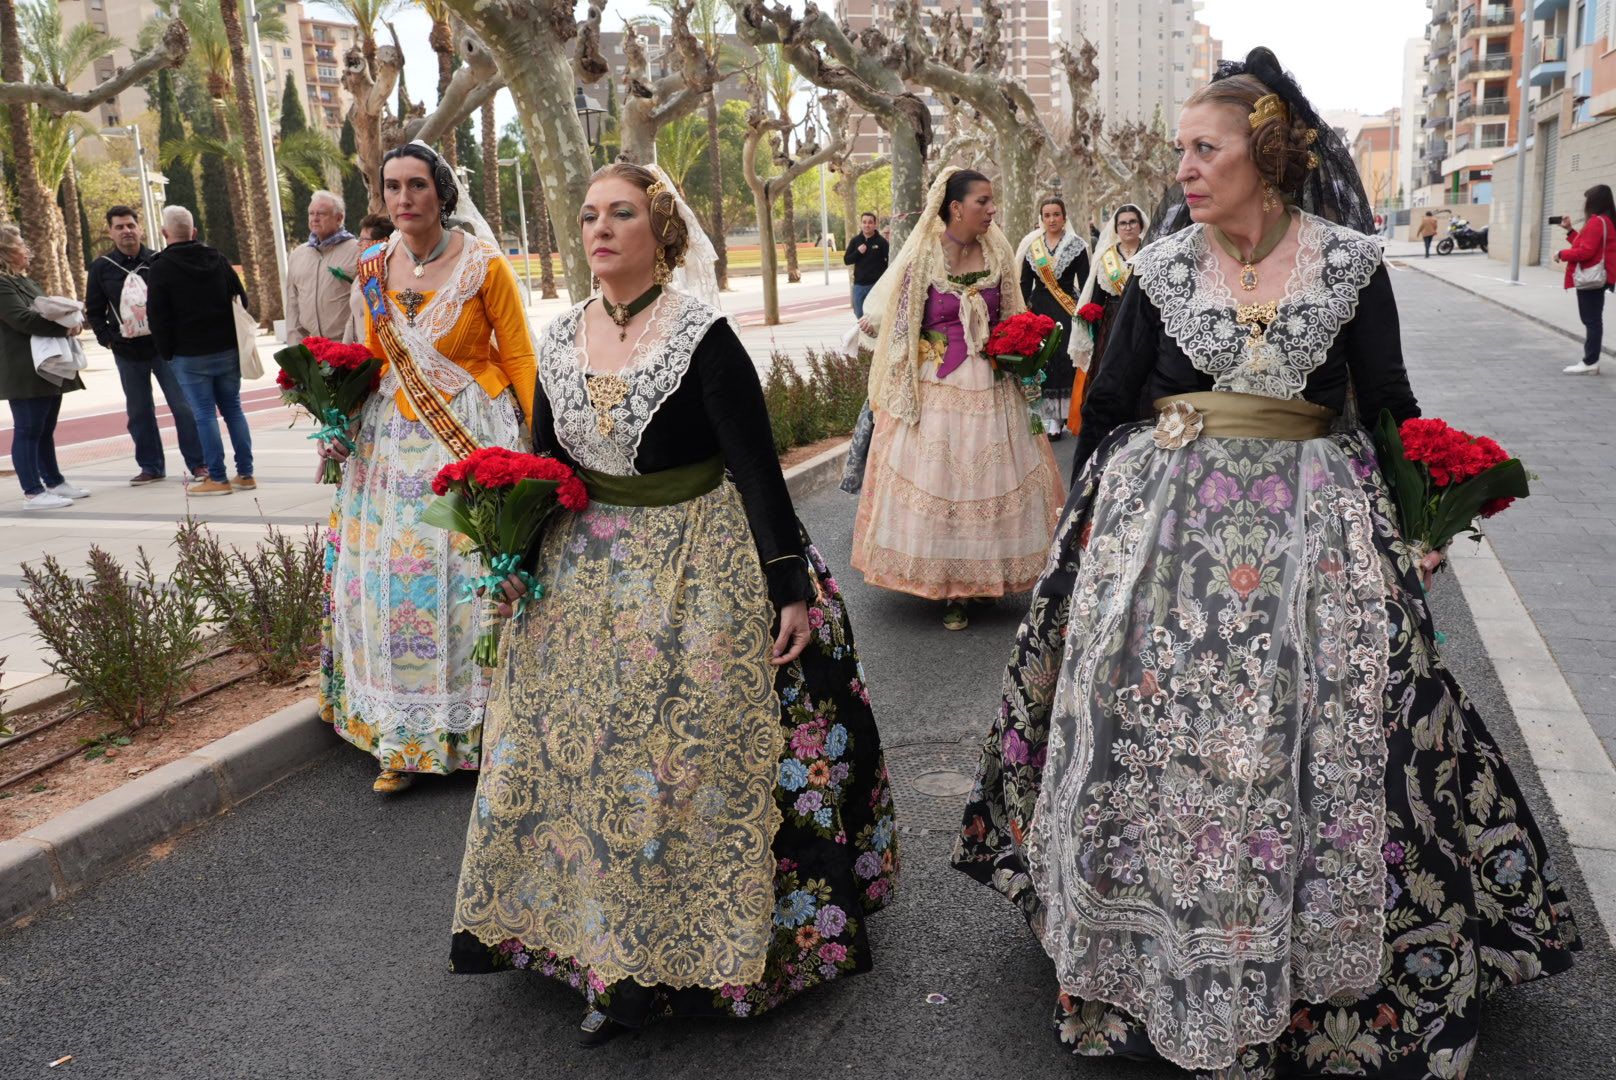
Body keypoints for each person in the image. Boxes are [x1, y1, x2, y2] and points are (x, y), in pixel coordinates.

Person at [953, 48, 1580, 1077]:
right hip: (1168, 549)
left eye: (1204, 150)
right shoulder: (1160, 271)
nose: (1183, 171)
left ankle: (1328, 975)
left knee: (1354, 721)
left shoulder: (1349, 264)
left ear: (1269, 156)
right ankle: (1148, 951)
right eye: (1180, 152)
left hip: (1317, 542)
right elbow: (1108, 408)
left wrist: (1425, 518)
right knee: (1152, 730)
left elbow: (1387, 403)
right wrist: (1087, 531)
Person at [449, 162, 898, 1045]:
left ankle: (693, 945)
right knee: (582, 757)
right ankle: (597, 940)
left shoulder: (703, 338)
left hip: (698, 561)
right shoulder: (560, 336)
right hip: (582, 573)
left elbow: (756, 468)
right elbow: (545, 466)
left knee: (680, 758)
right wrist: (514, 558)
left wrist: (787, 586)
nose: (599, 228)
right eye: (589, 214)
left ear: (660, 233)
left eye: (620, 213)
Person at [322, 140, 535, 794]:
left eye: (416, 184)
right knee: (390, 581)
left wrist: (543, 443)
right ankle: (401, 735)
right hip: (389, 443)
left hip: (469, 433)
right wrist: (337, 417)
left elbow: (519, 355)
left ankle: (488, 730)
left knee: (468, 576)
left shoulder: (484, 265)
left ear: (442, 191)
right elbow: (369, 355)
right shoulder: (372, 268)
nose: (404, 198)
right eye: (392, 186)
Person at [851, 167, 1064, 631]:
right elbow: (904, 326)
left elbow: (1012, 314)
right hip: (938, 384)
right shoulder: (923, 257)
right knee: (943, 481)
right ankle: (950, 586)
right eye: (982, 201)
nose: (991, 209)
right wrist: (900, 384)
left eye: (992, 201)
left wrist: (1025, 354)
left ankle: (983, 574)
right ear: (955, 207)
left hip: (992, 382)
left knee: (989, 480)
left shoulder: (997, 251)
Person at [85, 205, 207, 486]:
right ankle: (151, 466)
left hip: (165, 349)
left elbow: (178, 299)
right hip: (128, 353)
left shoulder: (159, 260)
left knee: (183, 407)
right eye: (119, 227)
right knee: (139, 412)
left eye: (130, 225)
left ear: (139, 228)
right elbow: (94, 310)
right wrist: (108, 339)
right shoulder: (102, 268)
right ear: (110, 232)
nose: (126, 231)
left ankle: (199, 463)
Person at [146, 206, 253, 498]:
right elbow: (241, 299)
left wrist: (167, 352)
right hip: (227, 348)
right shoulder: (217, 259)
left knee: (204, 414)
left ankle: (217, 477)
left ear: (165, 233)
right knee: (233, 409)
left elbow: (157, 316)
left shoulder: (160, 268)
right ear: (194, 232)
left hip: (189, 354)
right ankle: (246, 473)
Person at [0, 225, 89, 510]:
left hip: (46, 363)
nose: (27, 249)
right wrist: (65, 328)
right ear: (5, 252)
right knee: (28, 428)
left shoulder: (24, 281)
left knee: (44, 427)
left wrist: (69, 319)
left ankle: (54, 481)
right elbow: (22, 319)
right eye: (20, 245)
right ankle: (33, 492)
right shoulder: (2, 284)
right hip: (24, 367)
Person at [1066, 203, 1149, 442]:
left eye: (1132, 222)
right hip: (1112, 322)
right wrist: (1090, 317)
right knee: (1110, 371)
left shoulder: (1150, 251)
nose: (1128, 227)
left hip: (1143, 320)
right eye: (1123, 223)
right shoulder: (1106, 256)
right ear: (1116, 228)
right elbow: (1097, 296)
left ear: (1140, 225)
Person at [1015, 196, 1089, 440]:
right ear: (1042, 218)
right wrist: (1020, 313)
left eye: (1056, 214)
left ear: (1064, 217)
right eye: (1047, 215)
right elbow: (1025, 283)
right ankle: (1047, 416)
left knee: (1064, 359)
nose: (1052, 219)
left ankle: (1065, 413)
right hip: (1039, 310)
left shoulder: (1076, 245)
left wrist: (1087, 311)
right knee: (1043, 360)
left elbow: (1085, 281)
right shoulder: (1032, 247)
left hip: (1067, 308)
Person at [1553, 183, 1616, 376]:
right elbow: (1585, 245)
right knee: (1592, 319)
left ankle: (1590, 362)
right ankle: (1591, 360)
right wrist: (1569, 230)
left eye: (1588, 199)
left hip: (1591, 278)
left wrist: (1561, 254)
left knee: (1592, 321)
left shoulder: (1597, 221)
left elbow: (1585, 252)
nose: (1585, 203)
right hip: (1598, 277)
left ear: (1594, 202)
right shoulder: (1606, 220)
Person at [284, 190, 360, 344]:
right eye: (311, 213)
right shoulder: (298, 255)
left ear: (339, 218)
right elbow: (293, 308)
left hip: (349, 346)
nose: (315, 218)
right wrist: (296, 350)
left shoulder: (358, 251)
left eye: (321, 214)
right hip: (312, 348)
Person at [843, 210, 889, 317]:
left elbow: (889, 262)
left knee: (874, 315)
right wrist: (858, 252)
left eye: (870, 222)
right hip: (859, 285)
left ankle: (872, 329)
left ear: (875, 224)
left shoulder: (882, 242)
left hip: (876, 285)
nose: (867, 225)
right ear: (861, 224)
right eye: (864, 222)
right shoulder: (855, 241)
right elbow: (847, 260)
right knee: (859, 313)